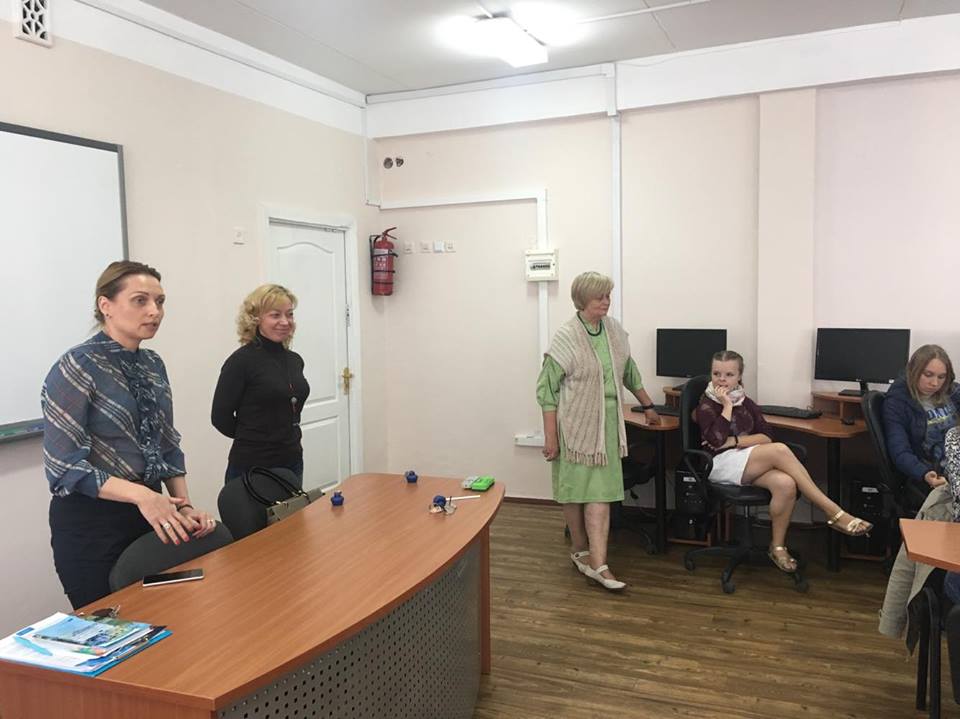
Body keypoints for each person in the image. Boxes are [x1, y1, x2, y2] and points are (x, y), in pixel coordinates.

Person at [42, 260, 216, 609]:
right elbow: (63, 467)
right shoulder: (77, 366)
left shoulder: (152, 364)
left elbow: (167, 444)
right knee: (113, 628)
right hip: (93, 524)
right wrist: (142, 496)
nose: (155, 311)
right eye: (140, 300)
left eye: (160, 301)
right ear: (105, 305)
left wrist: (183, 506)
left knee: (167, 616)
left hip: (153, 512)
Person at [537, 271, 660, 592]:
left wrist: (648, 405)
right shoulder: (566, 337)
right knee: (573, 490)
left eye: (608, 296)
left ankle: (599, 562)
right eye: (599, 297)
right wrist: (550, 437)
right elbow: (546, 391)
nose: (606, 302)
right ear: (582, 300)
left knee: (600, 493)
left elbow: (629, 373)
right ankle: (580, 549)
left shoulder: (614, 331)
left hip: (607, 426)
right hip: (575, 426)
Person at [695, 350, 872, 573]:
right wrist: (727, 407)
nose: (721, 380)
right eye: (716, 374)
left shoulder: (746, 402)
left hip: (748, 459)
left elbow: (766, 436)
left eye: (729, 375)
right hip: (719, 464)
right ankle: (833, 511)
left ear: (739, 376)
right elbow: (717, 440)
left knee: (786, 484)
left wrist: (735, 440)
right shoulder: (706, 404)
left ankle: (777, 547)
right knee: (780, 450)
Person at [211, 284, 309, 483]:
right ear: (255, 319)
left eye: (289, 314)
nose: (285, 322)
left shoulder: (294, 360)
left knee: (294, 506)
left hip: (292, 460)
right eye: (275, 315)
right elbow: (220, 417)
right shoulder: (241, 361)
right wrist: (255, 437)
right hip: (252, 465)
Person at [882, 344, 960, 493]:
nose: (935, 383)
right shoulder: (897, 403)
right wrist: (924, 473)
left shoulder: (951, 391)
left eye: (941, 377)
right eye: (928, 375)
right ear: (914, 372)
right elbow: (900, 451)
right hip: (936, 472)